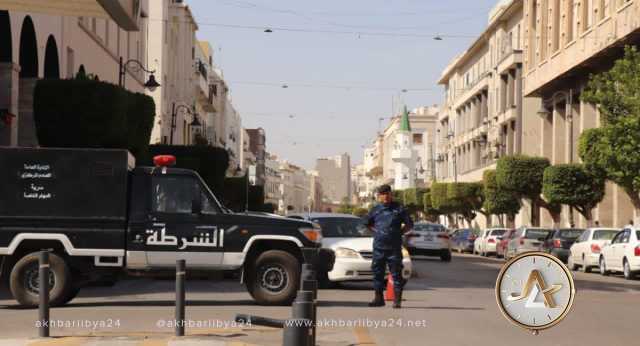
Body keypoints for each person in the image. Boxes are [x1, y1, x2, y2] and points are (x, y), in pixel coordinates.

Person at [365, 184, 413, 309]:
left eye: (387, 194)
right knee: (377, 273)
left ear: (391, 194)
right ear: (379, 196)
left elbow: (409, 224)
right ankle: (378, 298)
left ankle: (397, 300)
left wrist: (399, 233)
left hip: (394, 248)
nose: (385, 196)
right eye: (382, 194)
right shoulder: (375, 209)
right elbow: (367, 223)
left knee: (396, 273)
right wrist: (377, 232)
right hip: (379, 247)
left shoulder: (399, 208)